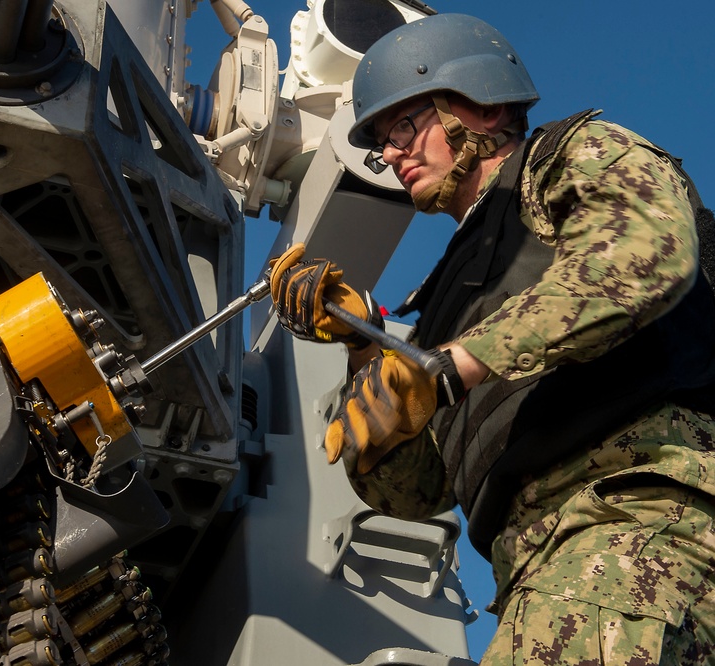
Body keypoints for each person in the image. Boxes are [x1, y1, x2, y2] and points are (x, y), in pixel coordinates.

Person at [268, 13, 715, 664]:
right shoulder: (446, 304)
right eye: (384, 141)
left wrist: (454, 364)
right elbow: (416, 494)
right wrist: (363, 343)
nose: (390, 154)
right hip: (539, 564)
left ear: (477, 105)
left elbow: (646, 254)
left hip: (637, 513)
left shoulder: (572, 155)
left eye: (402, 126)